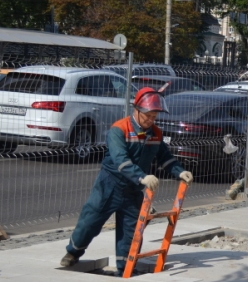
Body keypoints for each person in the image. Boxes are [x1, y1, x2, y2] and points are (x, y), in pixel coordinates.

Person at [61, 88, 193, 271]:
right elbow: (120, 160)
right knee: (90, 221)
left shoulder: (155, 133)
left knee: (131, 231)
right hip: (109, 186)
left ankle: (125, 267)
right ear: (136, 110)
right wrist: (142, 177)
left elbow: (165, 157)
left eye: (154, 117)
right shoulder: (119, 129)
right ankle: (73, 252)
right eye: (147, 116)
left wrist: (180, 172)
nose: (150, 120)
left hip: (133, 190)